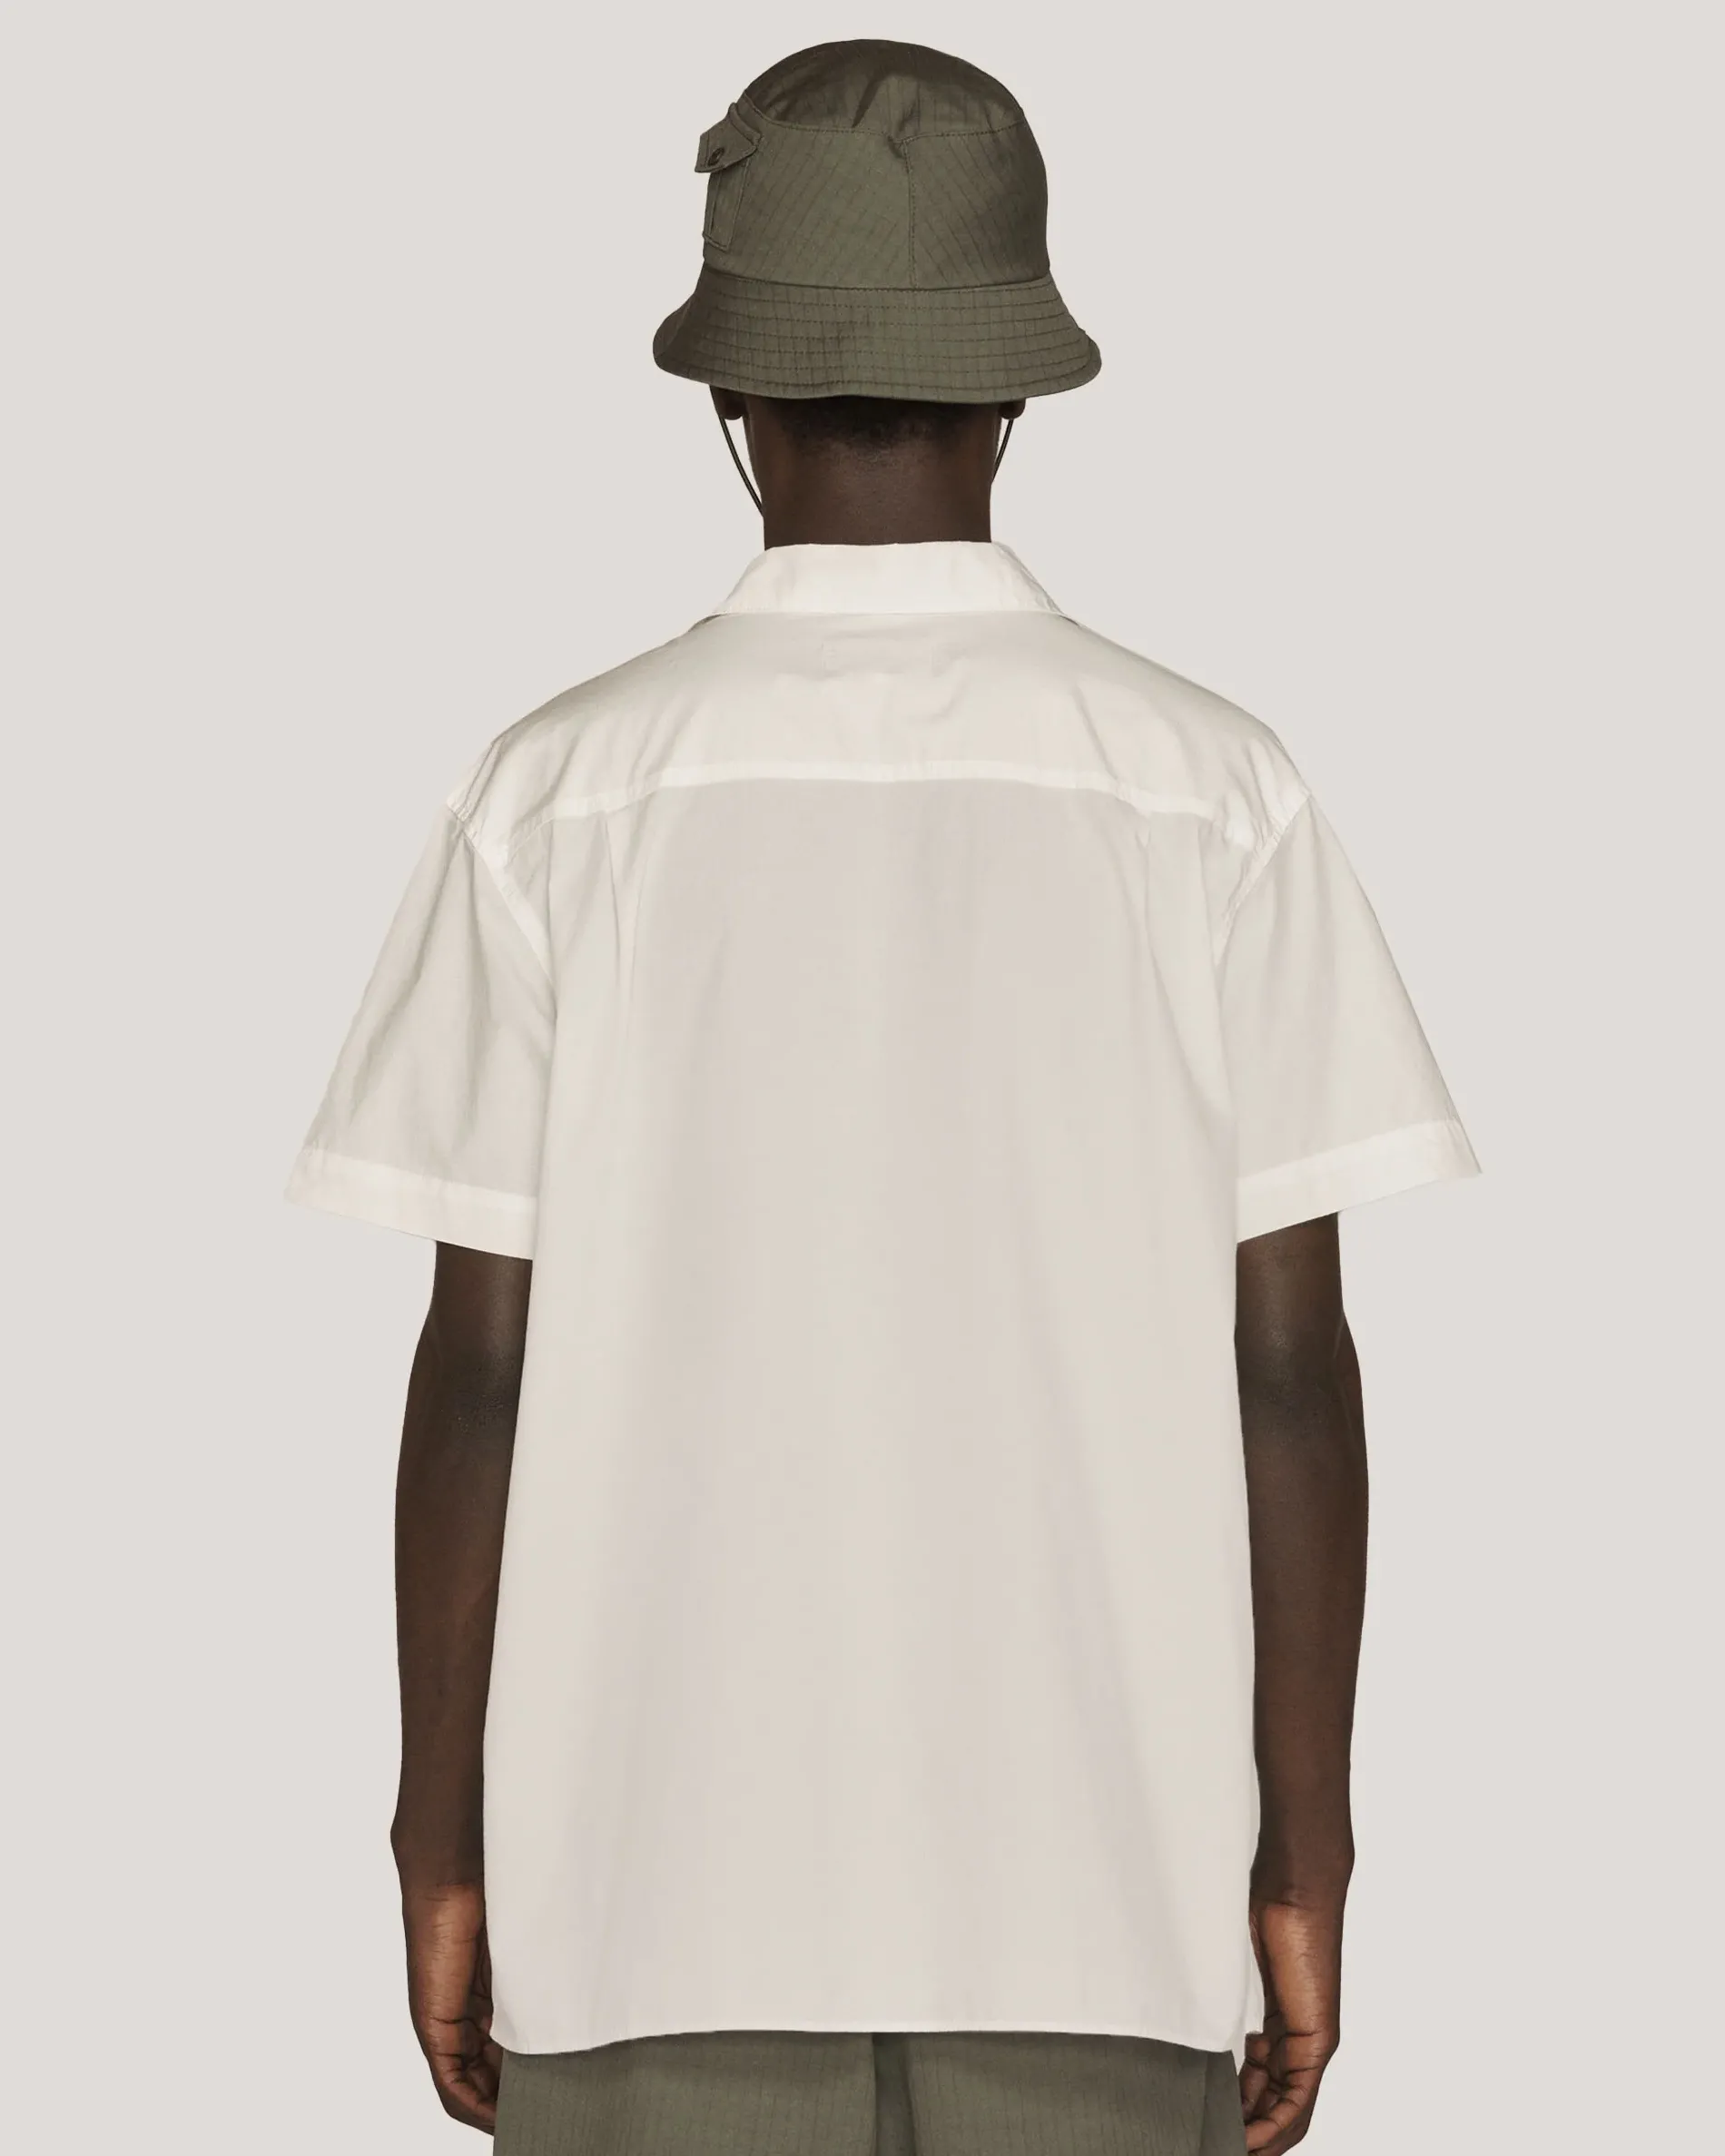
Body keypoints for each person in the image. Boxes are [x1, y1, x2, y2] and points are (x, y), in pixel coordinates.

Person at [289, 39, 1477, 2156]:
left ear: (727, 402)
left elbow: (479, 1369)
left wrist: (433, 1829)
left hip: (639, 1892)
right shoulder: (1210, 793)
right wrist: (1303, 1850)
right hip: (1098, 1900)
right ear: (1012, 392)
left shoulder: (553, 796)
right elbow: (1287, 1369)